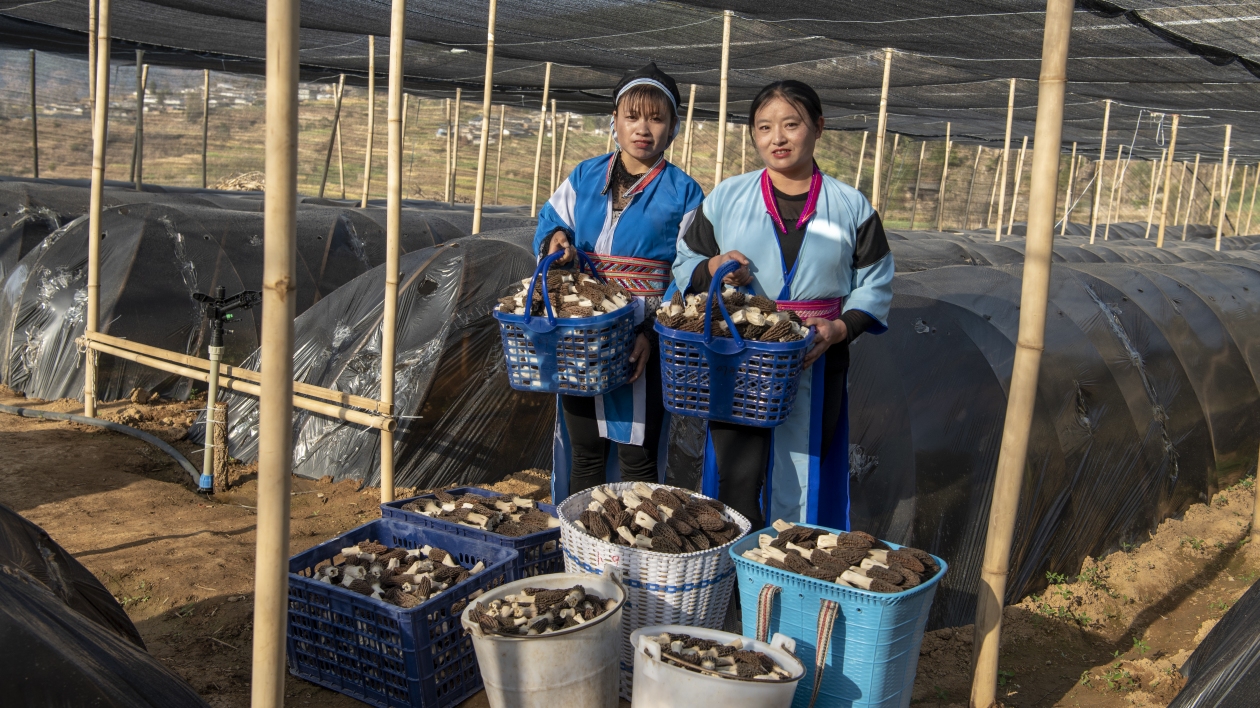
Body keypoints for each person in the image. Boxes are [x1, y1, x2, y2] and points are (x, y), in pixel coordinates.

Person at [671, 80, 894, 530]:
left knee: (803, 472)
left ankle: (789, 580)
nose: (778, 138)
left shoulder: (851, 206)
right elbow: (684, 262)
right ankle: (731, 581)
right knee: (736, 474)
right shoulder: (726, 198)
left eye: (791, 125)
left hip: (816, 352)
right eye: (764, 127)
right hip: (737, 352)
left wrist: (841, 327)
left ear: (818, 128)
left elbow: (875, 281)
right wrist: (712, 265)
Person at [533, 63, 704, 502]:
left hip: (642, 331)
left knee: (637, 453)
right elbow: (552, 222)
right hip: (581, 325)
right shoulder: (585, 176)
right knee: (585, 448)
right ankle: (581, 549)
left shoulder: (685, 192)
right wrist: (556, 239)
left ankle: (634, 552)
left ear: (673, 128)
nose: (643, 129)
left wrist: (651, 333)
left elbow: (689, 267)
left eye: (656, 118)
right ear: (615, 122)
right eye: (632, 116)